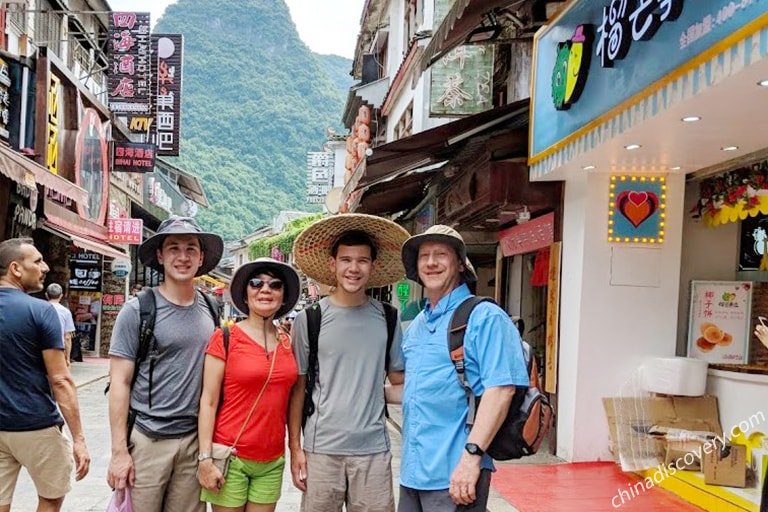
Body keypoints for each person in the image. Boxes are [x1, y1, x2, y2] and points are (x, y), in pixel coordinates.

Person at [396, 225, 529, 512]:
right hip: (413, 473)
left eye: (441, 254)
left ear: (459, 264)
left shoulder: (485, 317)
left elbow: (501, 389)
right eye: (424, 255)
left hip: (455, 473)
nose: (431, 262)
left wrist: (472, 458)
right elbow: (412, 389)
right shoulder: (418, 324)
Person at [288, 214, 410, 512]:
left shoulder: (388, 318)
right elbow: (298, 389)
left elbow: (401, 382)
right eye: (346, 260)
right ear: (333, 265)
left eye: (362, 261)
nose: (353, 268)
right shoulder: (310, 319)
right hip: (321, 449)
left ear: (373, 266)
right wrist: (295, 448)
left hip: (373, 451)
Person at [106, 216, 224, 512]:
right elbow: (119, 383)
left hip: (194, 442)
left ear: (201, 257)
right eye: (173, 248)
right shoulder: (138, 311)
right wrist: (119, 452)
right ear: (160, 255)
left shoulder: (211, 309)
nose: (182, 257)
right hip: (148, 440)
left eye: (190, 249)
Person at [198, 257, 301, 511]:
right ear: (245, 293)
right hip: (231, 456)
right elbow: (208, 401)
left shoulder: (289, 342)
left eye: (275, 285)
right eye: (256, 283)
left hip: (272, 460)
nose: (265, 290)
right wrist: (205, 457)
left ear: (283, 296)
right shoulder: (225, 338)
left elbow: (294, 400)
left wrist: (294, 448)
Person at [0, 238, 90, 512]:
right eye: (37, 261)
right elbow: (60, 380)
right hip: (36, 424)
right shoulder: (41, 311)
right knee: (50, 500)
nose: (45, 267)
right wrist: (79, 439)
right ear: (16, 268)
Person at [46, 283, 76, 366]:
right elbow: (67, 337)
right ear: (61, 296)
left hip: (40, 349)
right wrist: (67, 358)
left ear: (46, 295)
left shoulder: (38, 309)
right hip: (58, 348)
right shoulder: (65, 312)